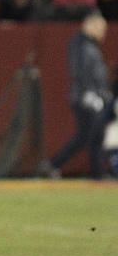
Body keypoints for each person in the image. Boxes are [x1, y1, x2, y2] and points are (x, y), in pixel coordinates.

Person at [46, 10, 112, 179]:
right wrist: (90, 95)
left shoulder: (89, 46)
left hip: (92, 97)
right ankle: (55, 164)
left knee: (90, 136)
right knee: (90, 136)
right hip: (86, 98)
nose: (102, 32)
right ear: (89, 26)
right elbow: (80, 73)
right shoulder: (81, 45)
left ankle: (94, 172)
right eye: (100, 27)